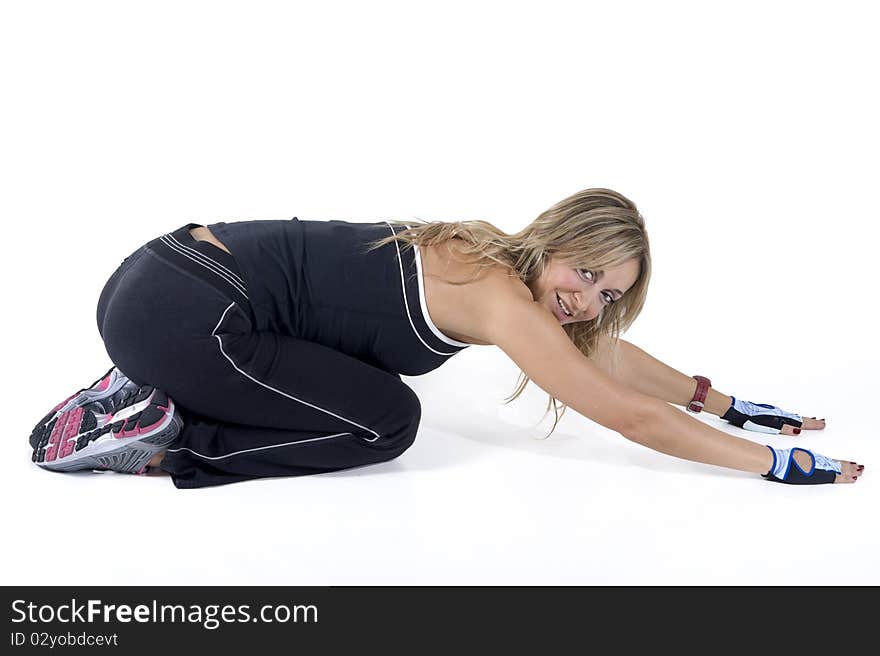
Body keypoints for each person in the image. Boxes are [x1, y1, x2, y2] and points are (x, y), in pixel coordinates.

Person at [28, 188, 864, 488]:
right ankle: (158, 434)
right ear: (555, 239)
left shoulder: (490, 259)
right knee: (383, 422)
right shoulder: (501, 295)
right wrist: (771, 465)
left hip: (162, 278)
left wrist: (726, 404)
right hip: (182, 313)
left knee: (380, 404)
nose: (585, 300)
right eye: (584, 273)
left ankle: (142, 389)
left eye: (608, 293)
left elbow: (605, 357)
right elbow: (624, 415)